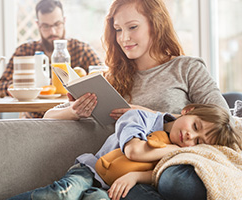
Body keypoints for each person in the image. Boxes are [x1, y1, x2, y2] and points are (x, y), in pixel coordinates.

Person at [43, 0, 231, 199]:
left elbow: (226, 119)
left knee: (179, 182)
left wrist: (151, 114)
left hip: (170, 166)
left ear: (156, 24)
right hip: (120, 170)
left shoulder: (187, 68)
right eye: (118, 29)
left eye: (133, 27)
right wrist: (74, 111)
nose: (124, 38)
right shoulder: (111, 79)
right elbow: (48, 116)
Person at [7, 103, 242, 200]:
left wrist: (134, 176)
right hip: (92, 171)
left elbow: (157, 174)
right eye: (195, 127)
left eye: (198, 141)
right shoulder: (139, 117)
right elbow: (133, 151)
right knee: (62, 193)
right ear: (188, 110)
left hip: (115, 187)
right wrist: (170, 150)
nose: (190, 137)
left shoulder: (186, 153)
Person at [0, 0, 102, 118]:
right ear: (37, 24)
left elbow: (104, 79)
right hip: (34, 121)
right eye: (46, 26)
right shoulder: (25, 51)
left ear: (64, 21)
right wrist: (30, 87)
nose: (53, 31)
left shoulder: (81, 50)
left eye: (57, 24)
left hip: (73, 121)